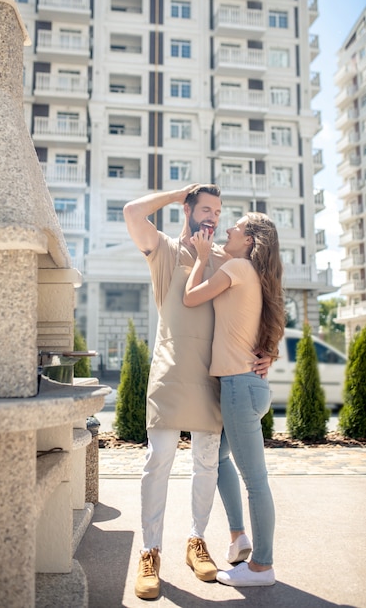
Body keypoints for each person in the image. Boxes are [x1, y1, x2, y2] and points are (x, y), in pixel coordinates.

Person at [123, 184, 271, 599]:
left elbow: (262, 302)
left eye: (218, 211)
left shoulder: (227, 259)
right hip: (171, 373)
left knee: (206, 464)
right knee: (159, 462)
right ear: (188, 209)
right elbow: (133, 212)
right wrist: (176, 194)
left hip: (213, 379)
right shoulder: (166, 250)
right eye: (205, 208)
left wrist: (268, 349)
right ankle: (149, 551)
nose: (213, 216)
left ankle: (196, 541)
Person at [183, 212, 285, 587]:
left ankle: (262, 566)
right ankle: (238, 536)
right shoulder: (249, 270)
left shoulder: (240, 268)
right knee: (222, 458)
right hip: (245, 387)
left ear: (249, 240)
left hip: (240, 388)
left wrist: (198, 260)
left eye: (236, 227)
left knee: (256, 481)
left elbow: (191, 298)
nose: (228, 228)